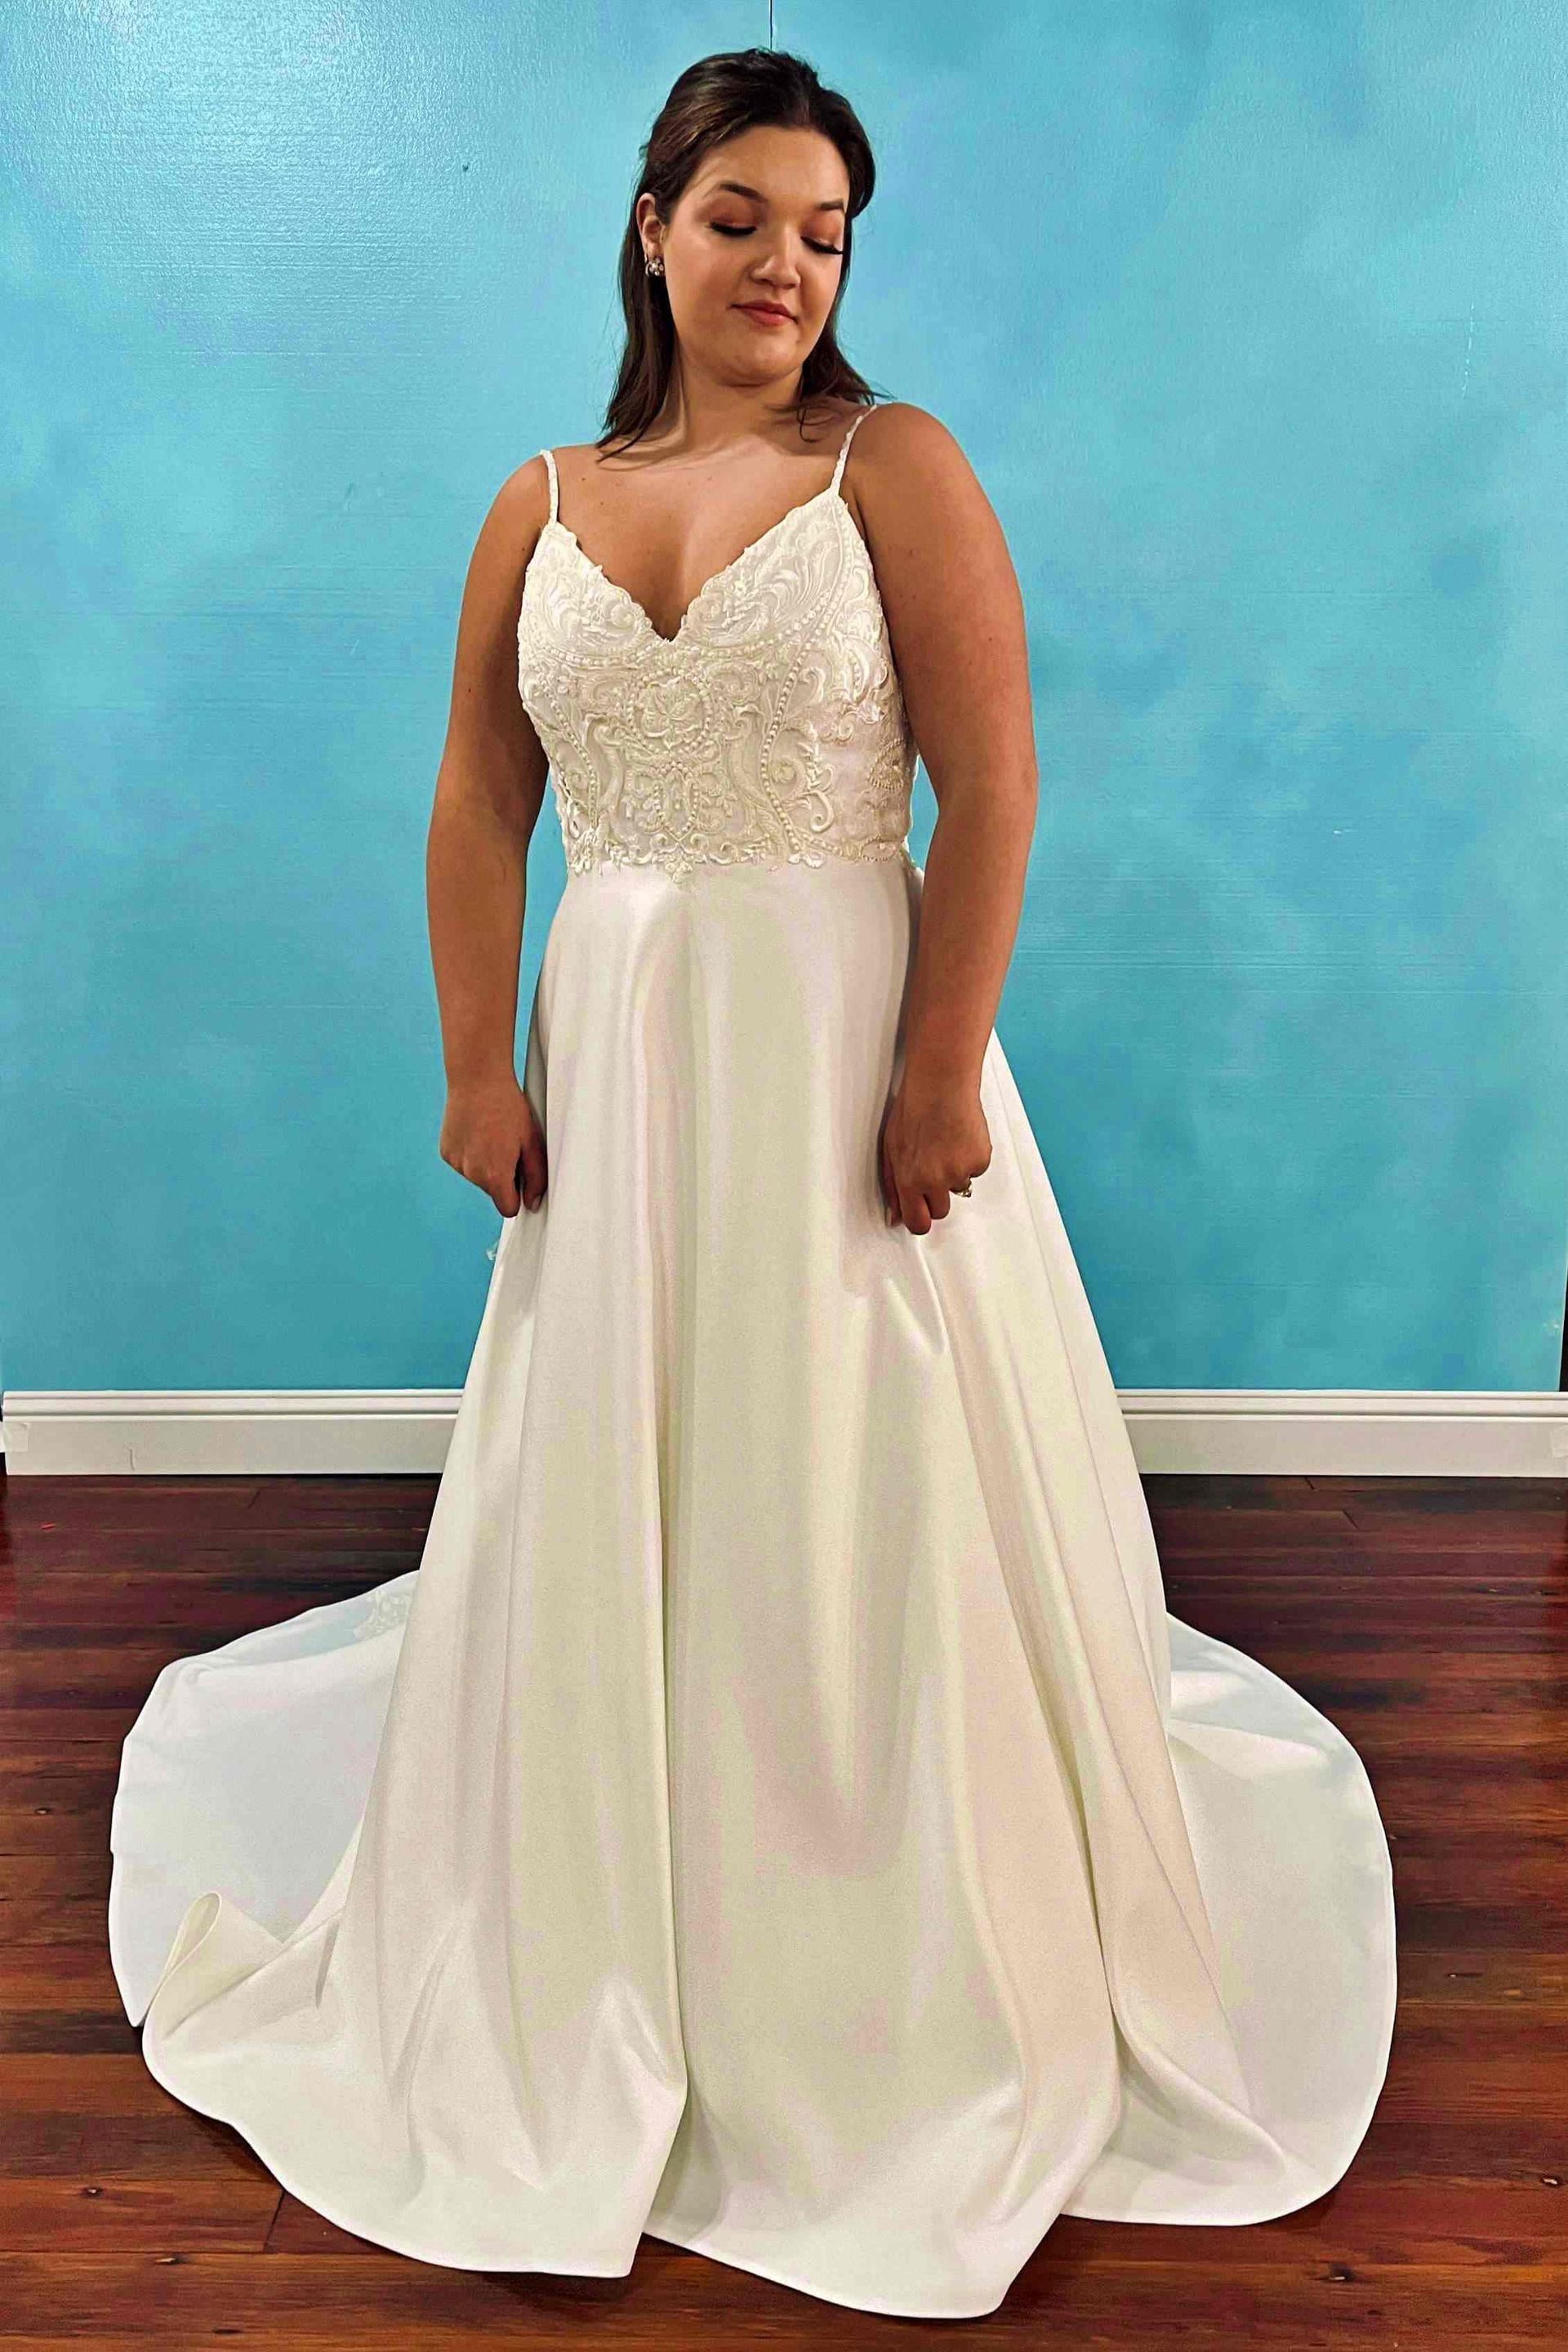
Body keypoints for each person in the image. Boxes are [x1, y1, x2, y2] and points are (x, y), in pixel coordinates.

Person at [108, 47, 1396, 2322]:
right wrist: (469, 1057)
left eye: (824, 233)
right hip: (619, 1047)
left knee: (847, 1484)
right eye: (743, 218)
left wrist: (930, 1073)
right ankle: (600, 1905)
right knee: (622, 1477)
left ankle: (871, 1960)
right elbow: (474, 799)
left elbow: (991, 786)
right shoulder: (539, 499)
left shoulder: (891, 466)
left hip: (838, 1045)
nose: (787, 265)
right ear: (651, 226)